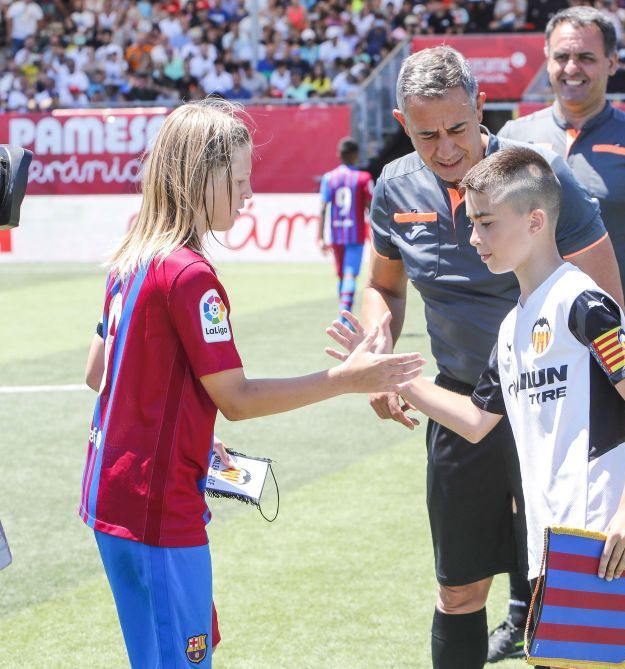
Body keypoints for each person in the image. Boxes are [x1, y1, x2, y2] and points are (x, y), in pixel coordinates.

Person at [80, 99, 424, 669]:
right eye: (238, 179)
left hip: (108, 496)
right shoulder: (189, 275)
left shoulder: (133, 256)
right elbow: (236, 400)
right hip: (155, 509)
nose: (248, 195)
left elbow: (101, 373)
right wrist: (346, 378)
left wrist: (187, 426)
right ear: (200, 178)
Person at [333, 145, 625, 644]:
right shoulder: (513, 326)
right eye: (471, 223)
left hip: (602, 529)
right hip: (549, 533)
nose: (473, 237)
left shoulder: (583, 302)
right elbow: (473, 420)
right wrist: (387, 373)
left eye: (486, 223)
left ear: (535, 222)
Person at [362, 45, 623, 669]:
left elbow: (604, 296)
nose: (446, 148)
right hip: (459, 406)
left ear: (482, 106)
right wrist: (378, 347)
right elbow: (382, 288)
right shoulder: (394, 188)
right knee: (457, 589)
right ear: (403, 123)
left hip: (552, 407)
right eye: (427, 135)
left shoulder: (538, 177)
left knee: (563, 583)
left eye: (457, 128)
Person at [497, 9, 625, 667]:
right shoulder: (515, 136)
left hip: (607, 344)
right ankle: (527, 611)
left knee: (615, 491)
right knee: (539, 481)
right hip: (539, 344)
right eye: (561, 57)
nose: (572, 69)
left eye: (586, 58)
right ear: (546, 59)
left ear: (610, 63)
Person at [317, 137, 374, 319]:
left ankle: (343, 313)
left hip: (336, 234)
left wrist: (320, 236)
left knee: (342, 276)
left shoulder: (328, 178)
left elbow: (323, 208)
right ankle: (344, 318)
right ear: (356, 155)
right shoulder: (363, 178)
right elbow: (370, 207)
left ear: (339, 155)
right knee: (350, 275)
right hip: (355, 234)